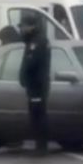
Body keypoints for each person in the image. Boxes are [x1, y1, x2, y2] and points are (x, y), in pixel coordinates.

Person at [18, 12, 52, 155]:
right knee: (35, 115)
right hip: (34, 85)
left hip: (37, 85)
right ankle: (40, 145)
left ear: (31, 26)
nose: (21, 30)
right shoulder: (32, 40)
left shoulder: (37, 42)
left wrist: (24, 77)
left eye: (23, 27)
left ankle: (41, 146)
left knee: (38, 116)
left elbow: (31, 63)